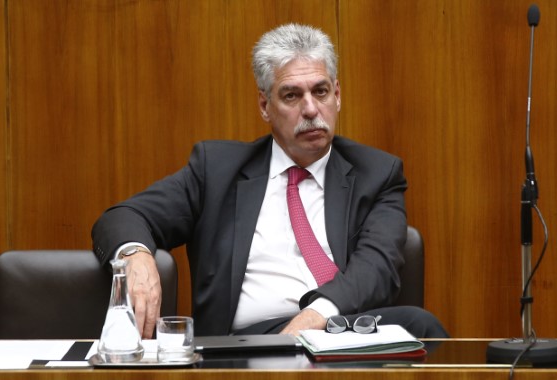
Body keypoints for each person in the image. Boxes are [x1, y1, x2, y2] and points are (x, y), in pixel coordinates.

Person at [91, 23, 448, 340]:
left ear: (337, 96)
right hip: (247, 344)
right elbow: (122, 217)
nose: (310, 109)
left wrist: (312, 318)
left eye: (320, 92)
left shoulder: (377, 173)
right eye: (292, 95)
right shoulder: (216, 170)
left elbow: (377, 265)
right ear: (265, 106)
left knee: (419, 325)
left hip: (340, 332)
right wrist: (136, 258)